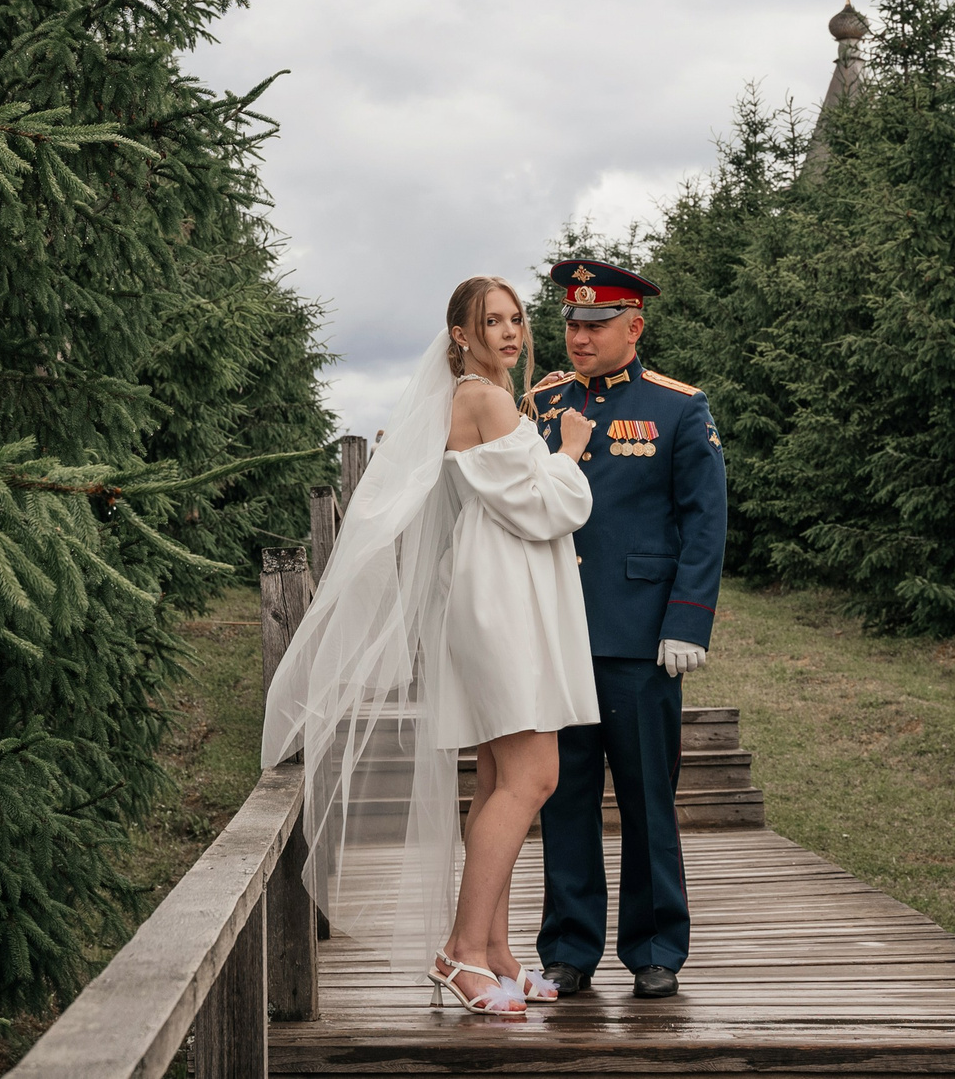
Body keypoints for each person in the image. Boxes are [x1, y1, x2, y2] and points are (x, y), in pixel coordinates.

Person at [261, 276, 599, 1017]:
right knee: (535, 775)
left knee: (500, 775)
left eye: (516, 318)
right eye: (491, 321)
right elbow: (549, 507)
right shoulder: (485, 397)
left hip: (496, 593)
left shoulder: (482, 399)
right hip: (506, 601)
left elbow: (510, 490)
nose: (510, 331)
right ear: (460, 334)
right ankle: (460, 952)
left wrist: (542, 439)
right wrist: (571, 449)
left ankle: (497, 948)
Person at [524, 259, 727, 1001]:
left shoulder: (678, 406)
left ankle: (654, 946)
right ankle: (569, 948)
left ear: (633, 327)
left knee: (647, 798)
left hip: (641, 639)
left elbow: (705, 522)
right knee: (563, 795)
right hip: (558, 631)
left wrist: (687, 619)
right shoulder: (541, 401)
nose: (579, 335)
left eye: (596, 323)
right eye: (573, 322)